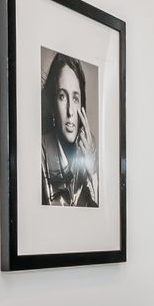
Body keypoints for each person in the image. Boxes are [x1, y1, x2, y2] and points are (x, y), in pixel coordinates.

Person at [41, 52, 99, 207]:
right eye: (62, 96)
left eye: (75, 98)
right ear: (53, 104)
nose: (70, 111)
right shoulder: (40, 151)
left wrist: (92, 170)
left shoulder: (87, 153)